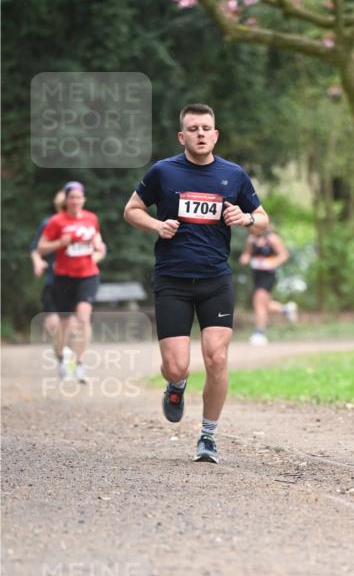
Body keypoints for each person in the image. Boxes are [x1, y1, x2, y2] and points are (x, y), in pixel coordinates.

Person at [124, 102, 269, 463]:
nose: (200, 134)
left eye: (206, 128)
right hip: (172, 279)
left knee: (217, 357)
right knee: (177, 366)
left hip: (215, 279)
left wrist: (246, 218)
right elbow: (132, 209)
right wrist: (157, 225)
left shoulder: (233, 175)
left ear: (215, 135)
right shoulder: (163, 172)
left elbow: (263, 219)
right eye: (193, 129)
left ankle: (208, 436)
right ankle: (176, 385)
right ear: (182, 136)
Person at [38, 181, 106, 383]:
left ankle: (80, 364)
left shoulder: (91, 218)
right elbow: (41, 248)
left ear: (83, 199)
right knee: (65, 323)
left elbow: (98, 243)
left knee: (84, 317)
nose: (75, 201)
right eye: (72, 197)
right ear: (66, 200)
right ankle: (61, 358)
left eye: (78, 197)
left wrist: (98, 250)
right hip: (64, 277)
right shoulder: (56, 221)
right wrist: (61, 242)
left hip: (88, 275)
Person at [239, 229, 298, 345]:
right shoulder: (251, 240)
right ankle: (285, 309)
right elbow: (247, 254)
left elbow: (284, 255)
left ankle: (259, 333)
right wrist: (245, 259)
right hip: (257, 276)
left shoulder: (272, 239)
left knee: (258, 302)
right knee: (263, 304)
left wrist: (272, 263)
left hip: (268, 275)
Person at [30, 188, 66, 345]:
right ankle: (60, 349)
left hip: (75, 279)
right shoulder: (48, 223)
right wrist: (37, 261)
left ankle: (64, 348)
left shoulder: (83, 222)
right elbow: (35, 248)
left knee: (70, 320)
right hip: (53, 278)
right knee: (53, 321)